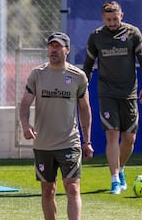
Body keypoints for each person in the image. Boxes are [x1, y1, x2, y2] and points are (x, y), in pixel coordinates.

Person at [19, 32, 93, 220]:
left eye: (58, 46)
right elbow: (25, 104)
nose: (53, 49)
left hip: (69, 141)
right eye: (51, 46)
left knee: (72, 187)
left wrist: (87, 141)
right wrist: (26, 125)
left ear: (67, 50)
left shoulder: (78, 76)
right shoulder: (37, 74)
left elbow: (85, 109)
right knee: (47, 190)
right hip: (43, 144)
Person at [82, 1, 142, 195]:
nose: (112, 22)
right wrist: (82, 85)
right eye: (108, 19)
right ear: (103, 18)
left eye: (115, 18)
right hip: (107, 92)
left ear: (122, 15)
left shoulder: (133, 33)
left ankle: (121, 170)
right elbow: (88, 65)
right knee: (112, 134)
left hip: (129, 93)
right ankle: (114, 180)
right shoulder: (96, 37)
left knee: (129, 138)